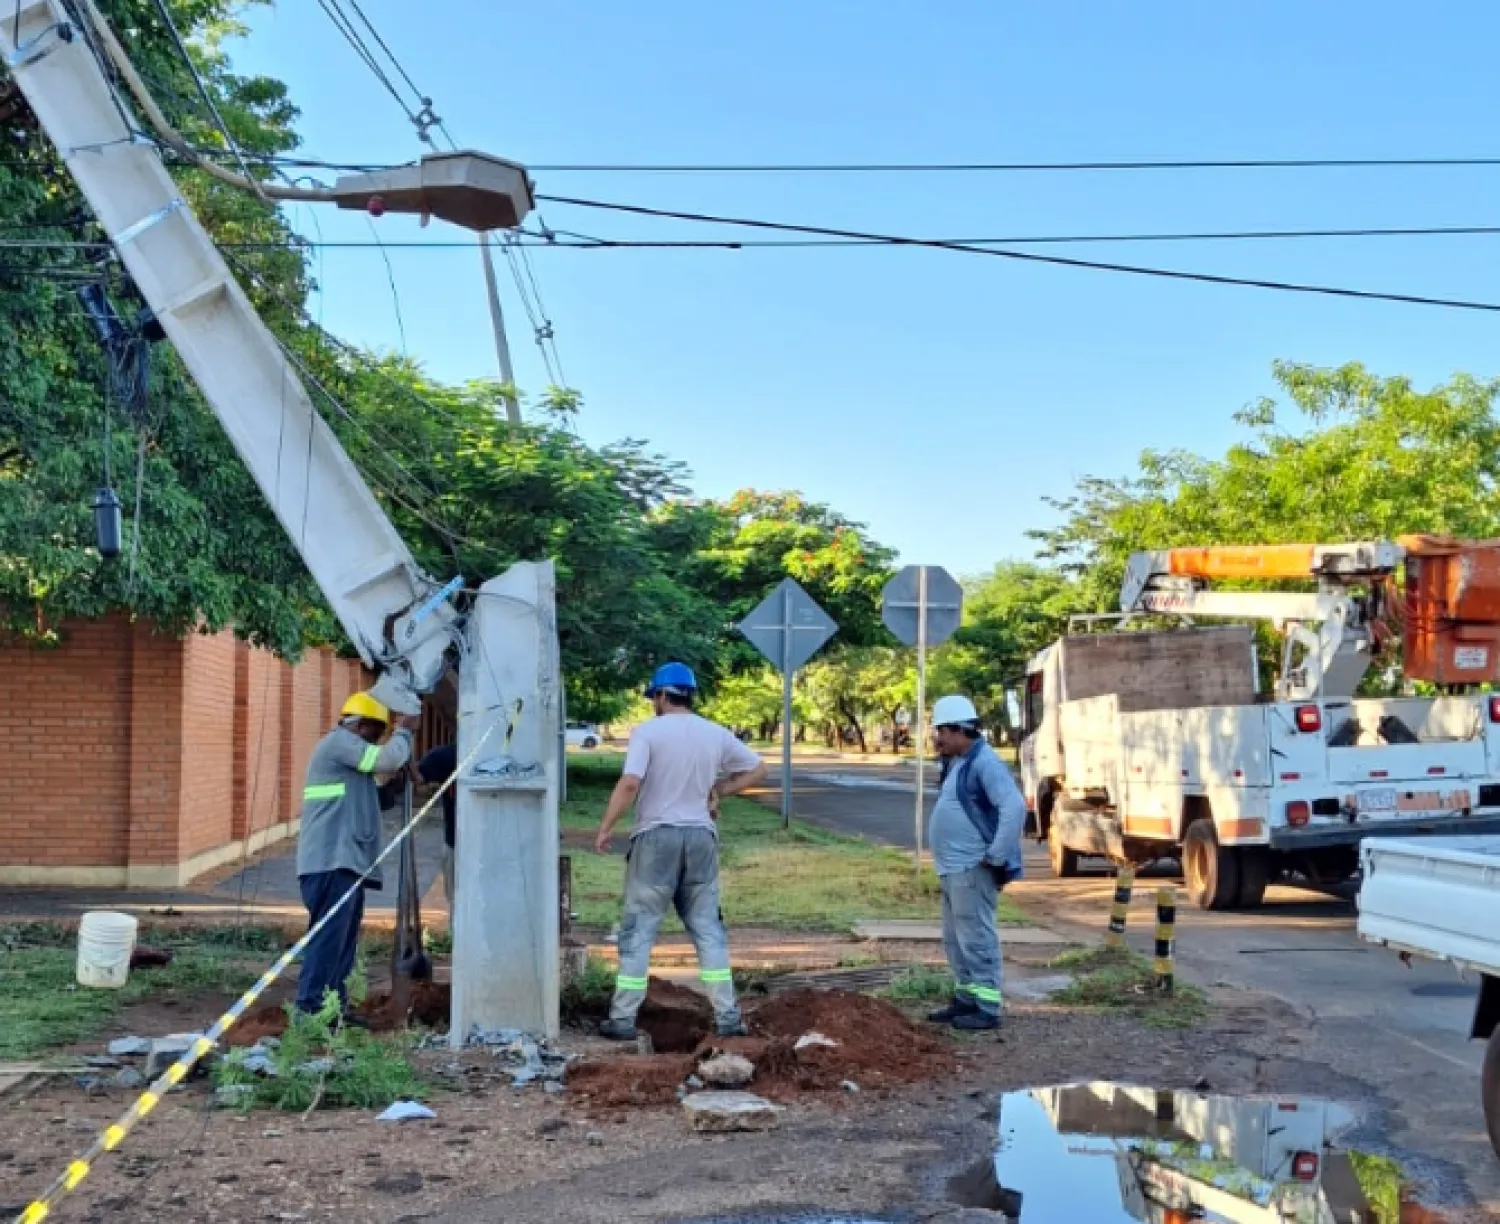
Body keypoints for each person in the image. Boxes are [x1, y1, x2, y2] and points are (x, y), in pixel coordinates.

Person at [593, 662, 767, 1041]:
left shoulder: (648, 733)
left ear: (659, 695)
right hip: (701, 838)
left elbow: (630, 783)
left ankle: (622, 1019)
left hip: (656, 837)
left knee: (640, 928)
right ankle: (727, 1016)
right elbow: (757, 769)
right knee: (708, 929)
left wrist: (606, 827)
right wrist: (718, 792)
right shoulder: (714, 733)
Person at [294, 691, 417, 1017]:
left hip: (345, 863)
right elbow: (385, 760)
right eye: (377, 733)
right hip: (329, 862)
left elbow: (369, 799)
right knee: (327, 941)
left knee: (342, 943)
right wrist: (404, 731)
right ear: (360, 726)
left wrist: (393, 787)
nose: (377, 742)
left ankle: (334, 1007)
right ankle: (310, 1009)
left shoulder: (350, 764)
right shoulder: (338, 744)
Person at [925, 694, 1027, 1032]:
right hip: (954, 868)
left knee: (976, 937)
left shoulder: (985, 763)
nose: (936, 738)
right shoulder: (960, 762)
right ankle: (966, 999)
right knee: (956, 939)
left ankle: (987, 1007)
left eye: (941, 731)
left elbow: (1014, 808)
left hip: (972, 867)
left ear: (958, 730)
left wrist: (996, 855)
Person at [416, 741, 458, 908]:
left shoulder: (448, 755)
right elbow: (416, 779)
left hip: (457, 843)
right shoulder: (448, 756)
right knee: (458, 904)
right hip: (456, 844)